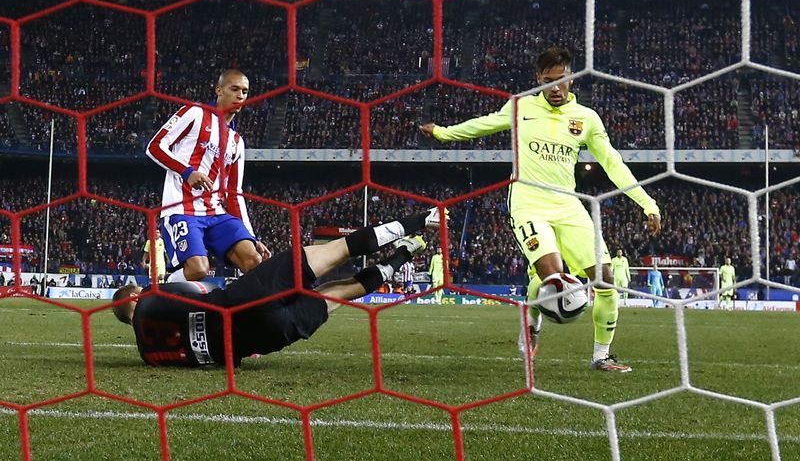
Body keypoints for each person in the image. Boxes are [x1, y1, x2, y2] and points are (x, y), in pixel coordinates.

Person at [419, 47, 661, 372]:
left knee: (606, 281)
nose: (556, 88)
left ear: (571, 78)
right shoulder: (521, 107)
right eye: (549, 81)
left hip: (568, 205)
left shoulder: (587, 119)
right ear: (538, 79)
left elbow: (612, 162)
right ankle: (532, 323)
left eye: (562, 80)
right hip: (528, 203)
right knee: (552, 277)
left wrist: (647, 203)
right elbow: (484, 124)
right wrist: (442, 133)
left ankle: (602, 356)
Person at [111, 208, 443, 367]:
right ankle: (422, 221)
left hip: (261, 337)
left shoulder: (148, 355)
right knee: (335, 252)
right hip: (243, 299)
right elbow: (201, 290)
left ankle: (403, 254)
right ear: (135, 296)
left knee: (339, 293)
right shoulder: (152, 298)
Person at [146, 69, 269, 283]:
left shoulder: (236, 141)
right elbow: (155, 146)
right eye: (235, 89)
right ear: (219, 90)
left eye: (245, 92)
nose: (240, 95)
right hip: (182, 209)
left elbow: (234, 194)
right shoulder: (195, 113)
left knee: (254, 259)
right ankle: (162, 289)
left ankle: (242, 312)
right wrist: (187, 171)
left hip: (216, 213)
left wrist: (252, 236)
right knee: (198, 270)